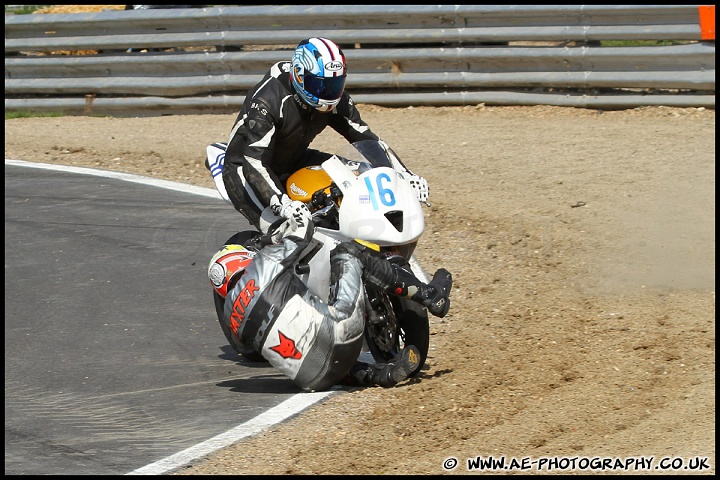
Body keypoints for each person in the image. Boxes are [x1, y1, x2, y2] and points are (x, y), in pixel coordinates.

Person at [208, 203, 453, 392]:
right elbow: (302, 231)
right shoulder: (265, 265)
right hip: (342, 332)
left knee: (313, 351)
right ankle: (429, 295)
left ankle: (379, 375)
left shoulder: (234, 324)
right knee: (349, 252)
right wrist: (284, 226)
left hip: (314, 377)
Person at [219, 36, 430, 233]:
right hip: (244, 171)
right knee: (286, 231)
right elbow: (253, 161)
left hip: (294, 159)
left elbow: (366, 138)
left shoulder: (335, 100)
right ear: (300, 76)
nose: (327, 93)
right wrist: (283, 204)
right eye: (319, 84)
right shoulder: (268, 100)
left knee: (356, 176)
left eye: (334, 84)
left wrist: (405, 176)